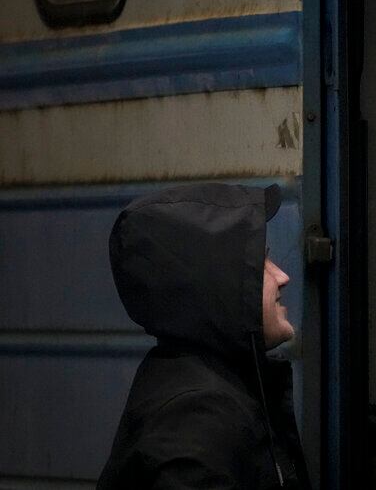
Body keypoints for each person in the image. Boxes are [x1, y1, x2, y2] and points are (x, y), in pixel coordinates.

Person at [98, 183, 310, 489]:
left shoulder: (204, 387)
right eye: (260, 265)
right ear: (213, 285)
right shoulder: (196, 421)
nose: (282, 277)